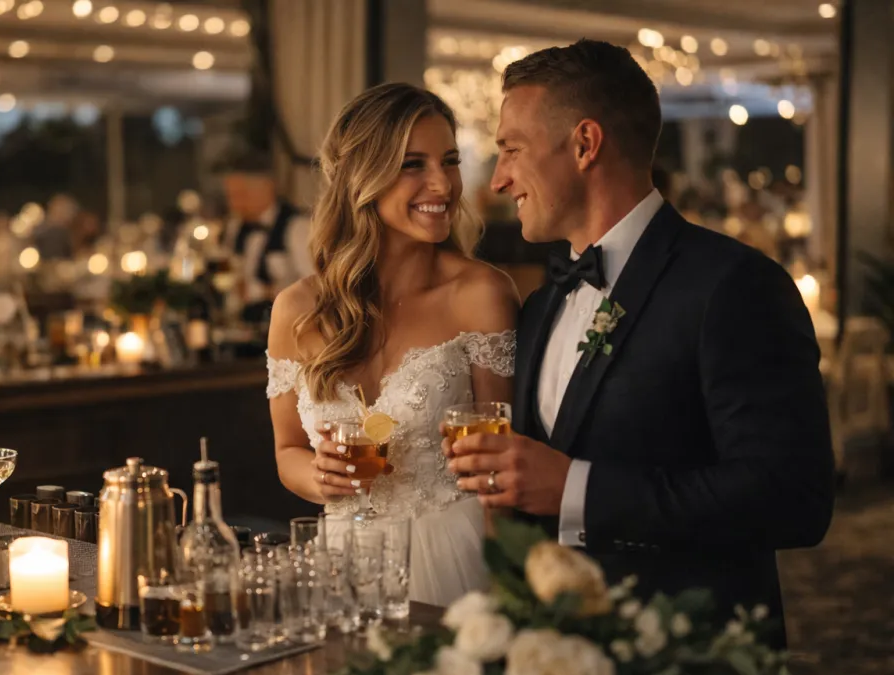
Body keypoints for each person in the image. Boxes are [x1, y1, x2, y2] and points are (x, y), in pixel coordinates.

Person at [446, 40, 833, 643]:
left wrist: (576, 489)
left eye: (512, 150)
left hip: (693, 663)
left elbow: (793, 499)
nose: (498, 180)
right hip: (554, 658)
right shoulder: (541, 303)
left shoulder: (734, 285)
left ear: (585, 144)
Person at [267, 84, 519, 606]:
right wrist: (319, 476)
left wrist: (509, 592)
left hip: (456, 558)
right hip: (343, 563)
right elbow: (287, 450)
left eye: (449, 161)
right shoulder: (296, 310)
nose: (442, 184)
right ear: (362, 178)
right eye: (412, 164)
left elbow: (501, 463)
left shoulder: (481, 295)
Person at [219, 149, 314, 322]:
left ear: (266, 188)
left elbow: (315, 288)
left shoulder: (297, 228)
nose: (233, 204)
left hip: (287, 327)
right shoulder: (235, 228)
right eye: (230, 196)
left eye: (240, 194)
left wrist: (262, 291)